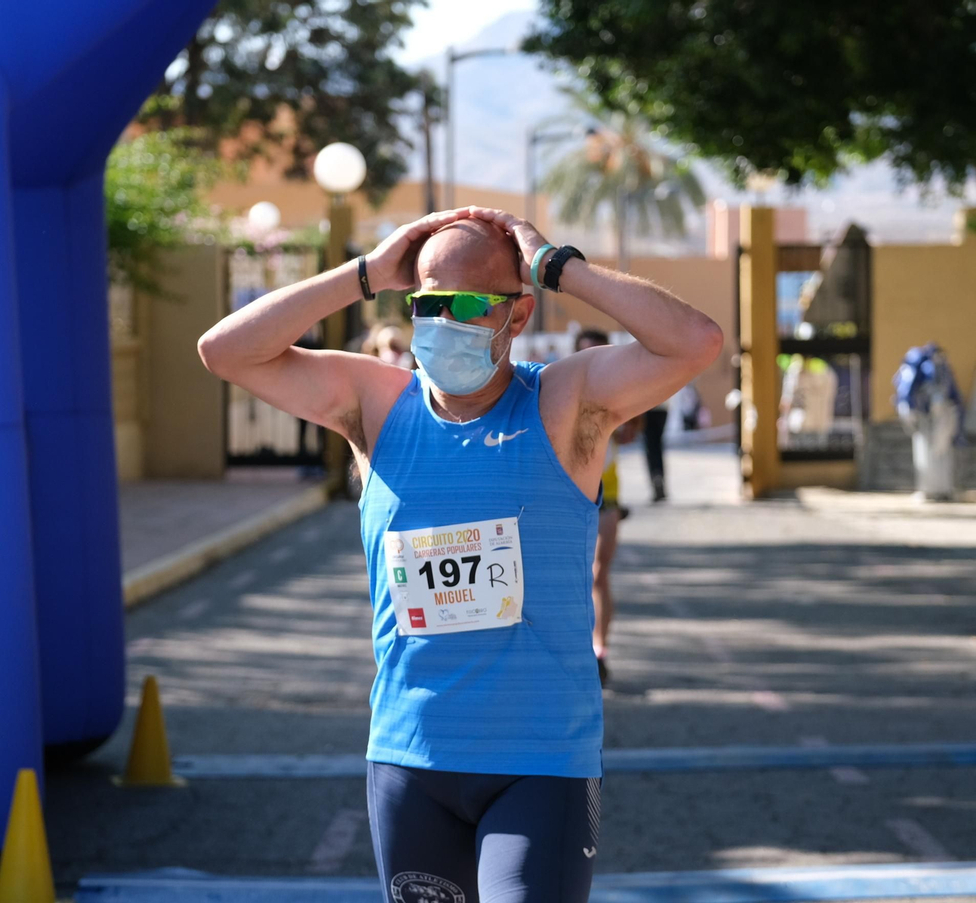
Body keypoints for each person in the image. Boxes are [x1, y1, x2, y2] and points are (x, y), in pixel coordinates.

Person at [197, 206, 721, 902]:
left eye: (467, 302)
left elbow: (695, 342)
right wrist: (364, 274)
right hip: (410, 759)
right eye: (427, 301)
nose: (442, 319)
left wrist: (561, 265)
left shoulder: (566, 403)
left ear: (519, 313)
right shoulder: (375, 405)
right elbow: (225, 351)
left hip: (539, 766)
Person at [574, 328, 637, 685]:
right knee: (572, 577)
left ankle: (600, 650)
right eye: (583, 354)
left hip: (607, 493)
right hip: (570, 493)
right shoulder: (561, 394)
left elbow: (631, 435)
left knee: (599, 573)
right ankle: (577, 649)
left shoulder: (619, 395)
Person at [894, 343, 963, 502]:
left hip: (933, 416)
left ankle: (937, 490)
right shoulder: (935, 367)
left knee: (935, 453)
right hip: (929, 417)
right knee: (933, 453)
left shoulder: (930, 368)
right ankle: (933, 490)